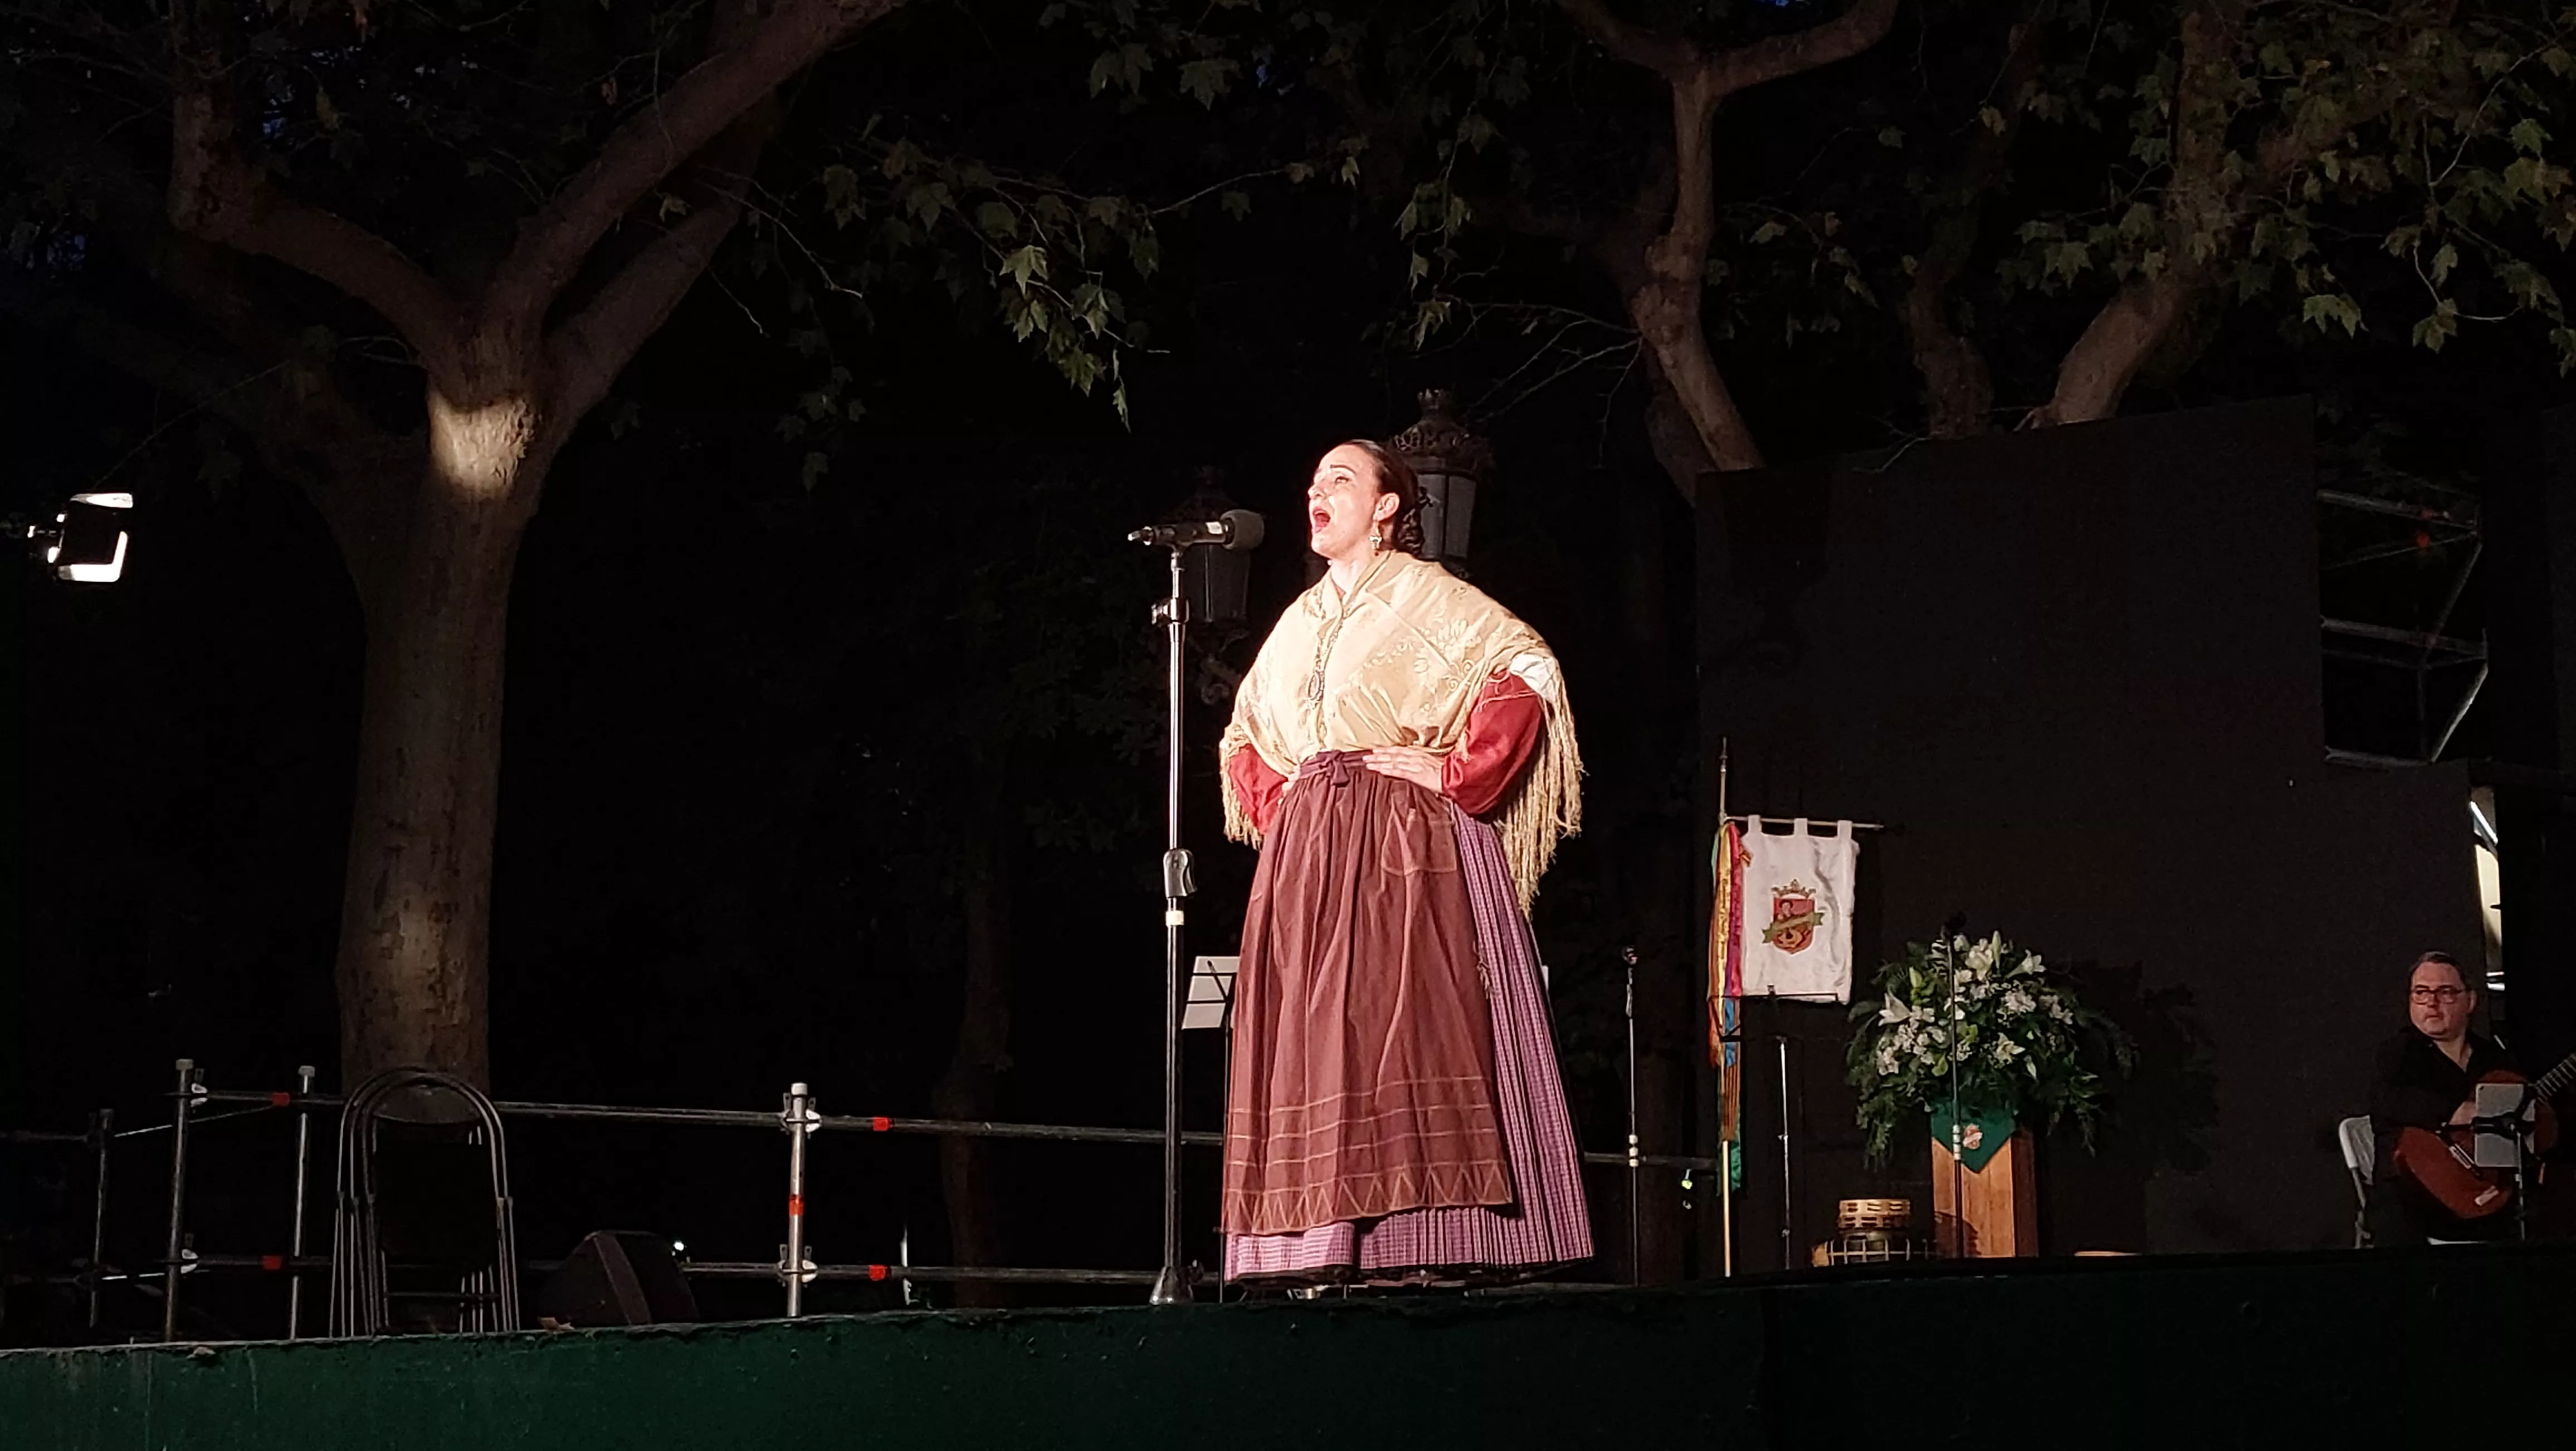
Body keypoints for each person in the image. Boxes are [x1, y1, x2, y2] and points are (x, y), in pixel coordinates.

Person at [1216, 438, 1592, 1284]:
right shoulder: (1300, 620)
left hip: (1405, 849)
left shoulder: (1428, 597)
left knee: (1410, 1027)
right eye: (1312, 481)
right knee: (1317, 1043)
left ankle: (1432, 1245)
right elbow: (1243, 734)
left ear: (1387, 507)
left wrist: (1458, 772)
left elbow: (1526, 667)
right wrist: (1300, 807)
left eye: (1341, 480)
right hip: (1314, 861)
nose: (1319, 492)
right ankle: (1314, 1247)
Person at [2366, 951, 2519, 1245]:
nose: (2432, 1004)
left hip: (2484, 1189)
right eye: (2421, 993)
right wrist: (2458, 1111)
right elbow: (2389, 1102)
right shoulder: (2396, 1054)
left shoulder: (2494, 1059)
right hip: (2410, 1195)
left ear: (2470, 1001)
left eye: (2445, 992)